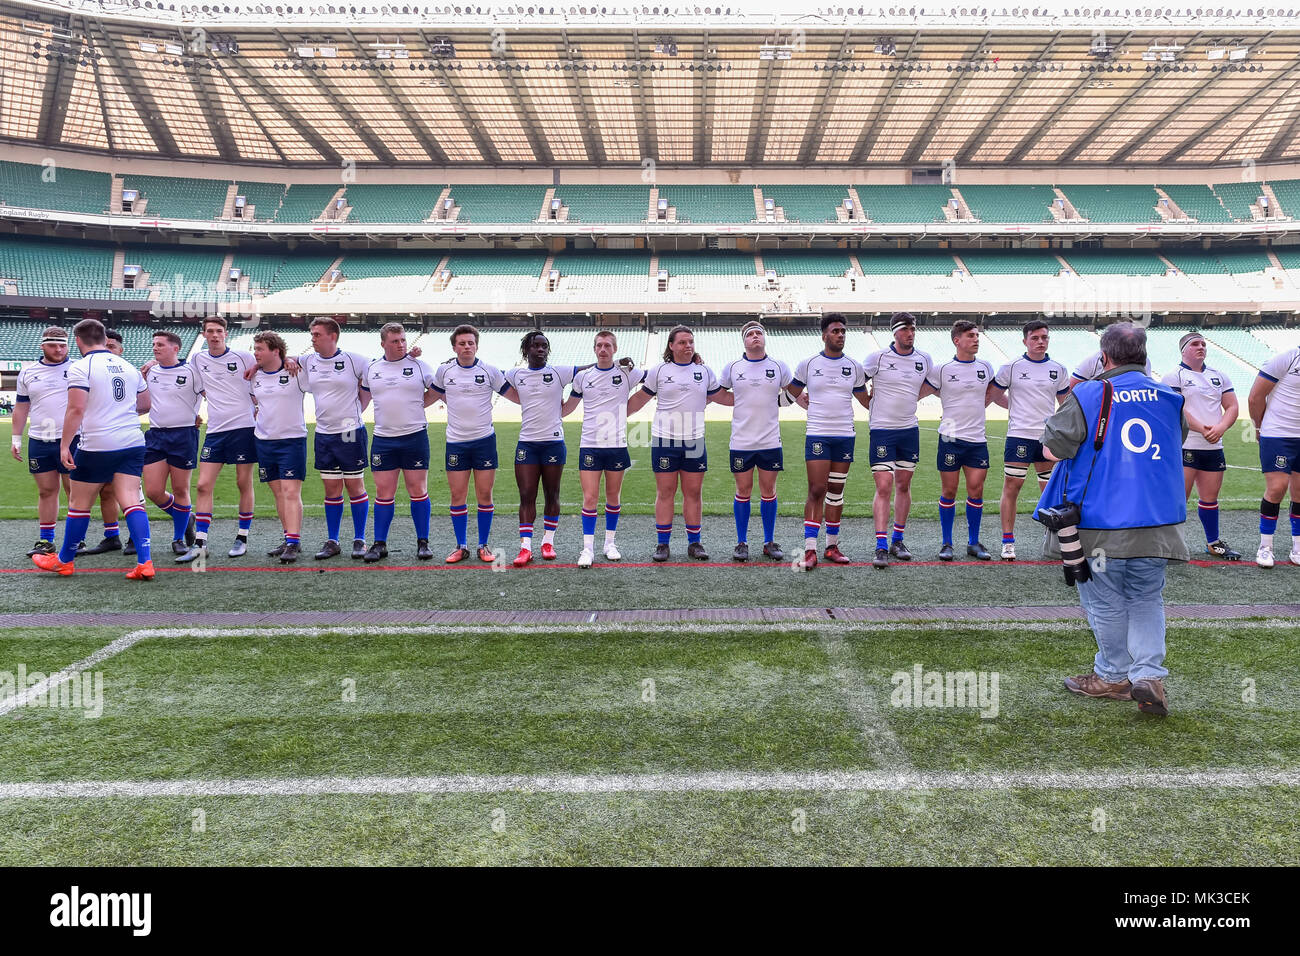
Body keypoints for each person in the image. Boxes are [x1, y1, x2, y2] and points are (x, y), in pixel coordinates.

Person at [1036, 321, 1189, 716]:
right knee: (1146, 597)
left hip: (1101, 521)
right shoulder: (1170, 396)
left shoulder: (1089, 392)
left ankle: (1112, 676)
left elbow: (1053, 447)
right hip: (1156, 522)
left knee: (1103, 600)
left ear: (1104, 357)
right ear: (1143, 356)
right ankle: (1149, 674)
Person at [31, 318, 155, 580]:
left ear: (77, 341)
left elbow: (75, 408)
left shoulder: (81, 367)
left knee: (79, 503)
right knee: (131, 500)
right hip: (132, 441)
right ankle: (145, 562)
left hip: (98, 443)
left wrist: (65, 445)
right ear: (102, 338)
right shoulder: (128, 366)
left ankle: (64, 560)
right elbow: (145, 404)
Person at [628, 325, 727, 562]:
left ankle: (694, 543)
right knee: (665, 492)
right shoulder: (659, 370)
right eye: (682, 342)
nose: (688, 346)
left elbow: (719, 396)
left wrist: (756, 399)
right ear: (671, 346)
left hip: (694, 440)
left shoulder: (704, 371)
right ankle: (663, 544)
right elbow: (641, 398)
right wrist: (615, 413)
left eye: (691, 342)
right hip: (665, 440)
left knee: (693, 492)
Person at [787, 313, 870, 569]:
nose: (840, 335)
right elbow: (791, 392)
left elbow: (865, 400)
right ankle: (810, 549)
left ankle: (831, 546)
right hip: (818, 434)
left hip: (845, 435)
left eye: (843, 331)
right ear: (824, 335)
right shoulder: (809, 364)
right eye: (835, 331)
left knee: (836, 492)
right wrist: (803, 402)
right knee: (816, 490)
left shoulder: (854, 367)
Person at [988, 319, 1070, 561]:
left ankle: (1052, 540)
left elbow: (1065, 404)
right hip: (1019, 436)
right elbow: (994, 395)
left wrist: (1059, 428)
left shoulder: (1058, 369)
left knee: (1049, 490)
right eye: (1035, 338)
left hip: (1047, 437)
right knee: (1012, 487)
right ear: (1025, 341)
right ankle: (1008, 542)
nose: (1040, 342)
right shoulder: (1011, 367)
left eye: (1044, 337)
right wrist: (1016, 409)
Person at [292, 318, 371, 560]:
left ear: (333, 336)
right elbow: (288, 359)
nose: (312, 338)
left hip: (349, 430)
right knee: (331, 489)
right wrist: (288, 359)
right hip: (324, 433)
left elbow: (369, 384)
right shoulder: (308, 361)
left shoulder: (354, 360)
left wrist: (356, 412)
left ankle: (359, 539)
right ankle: (333, 540)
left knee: (355, 486)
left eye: (317, 334)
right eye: (312, 334)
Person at [503, 331, 583, 567]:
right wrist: (452, 365)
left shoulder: (559, 372)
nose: (541, 350)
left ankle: (548, 542)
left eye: (544, 346)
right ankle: (525, 547)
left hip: (553, 442)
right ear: (526, 350)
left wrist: (618, 364)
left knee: (552, 494)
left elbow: (592, 368)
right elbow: (490, 375)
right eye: (536, 346)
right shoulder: (516, 374)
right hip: (527, 443)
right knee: (526, 495)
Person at [562, 331, 641, 567]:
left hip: (617, 445)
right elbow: (567, 409)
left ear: (615, 349)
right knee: (590, 498)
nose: (603, 349)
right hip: (590, 445)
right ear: (594, 349)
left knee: (613, 497)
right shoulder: (583, 377)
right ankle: (588, 549)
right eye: (599, 345)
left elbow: (655, 378)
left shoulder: (627, 373)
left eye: (608, 345)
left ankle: (610, 543)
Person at [431, 324, 509, 563]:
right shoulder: (444, 371)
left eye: (470, 343)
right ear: (455, 347)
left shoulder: (490, 371)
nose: (467, 347)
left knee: (484, 494)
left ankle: (483, 545)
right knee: (458, 495)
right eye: (462, 343)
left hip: (484, 441)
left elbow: (514, 394)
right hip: (456, 443)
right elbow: (430, 395)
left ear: (476, 345)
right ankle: (461, 545)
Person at [718, 321, 794, 562]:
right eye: (750, 334)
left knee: (768, 491)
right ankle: (742, 542)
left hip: (770, 440)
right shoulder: (733, 367)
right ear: (744, 340)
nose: (755, 337)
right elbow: (719, 393)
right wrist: (739, 402)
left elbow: (792, 392)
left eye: (758, 333)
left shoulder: (779, 366)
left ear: (764, 338)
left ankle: (768, 541)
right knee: (743, 490)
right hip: (741, 441)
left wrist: (782, 402)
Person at [361, 323, 438, 563]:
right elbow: (363, 397)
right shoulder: (371, 368)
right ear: (383, 343)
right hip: (383, 439)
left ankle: (423, 542)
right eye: (395, 341)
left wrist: (418, 405)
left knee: (418, 491)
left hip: (414, 436)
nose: (401, 344)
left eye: (403, 340)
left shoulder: (419, 365)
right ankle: (380, 543)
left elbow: (436, 390)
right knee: (384, 493)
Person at [1162, 331, 1241, 561]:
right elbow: (1176, 408)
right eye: (1195, 343)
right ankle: (1170, 544)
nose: (1201, 347)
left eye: (1204, 344)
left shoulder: (1220, 376)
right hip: (1186, 444)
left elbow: (1232, 406)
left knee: (1210, 498)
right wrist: (1204, 429)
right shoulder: (1173, 376)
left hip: (1213, 447)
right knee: (1179, 498)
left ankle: (1213, 543)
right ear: (1184, 349)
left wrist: (1221, 428)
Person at [862, 312, 932, 568]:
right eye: (905, 329)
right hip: (882, 430)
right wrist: (868, 403)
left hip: (909, 430)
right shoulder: (877, 357)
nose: (910, 334)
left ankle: (898, 540)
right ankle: (881, 544)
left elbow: (933, 384)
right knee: (883, 486)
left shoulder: (924, 359)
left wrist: (913, 396)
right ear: (894, 332)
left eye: (913, 329)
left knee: (903, 485)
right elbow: (858, 382)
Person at [924, 320, 996, 561]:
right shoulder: (942, 369)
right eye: (970, 336)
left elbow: (989, 395)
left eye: (977, 335)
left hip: (977, 439)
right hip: (950, 437)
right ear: (957, 340)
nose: (976, 339)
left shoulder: (986, 367)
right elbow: (922, 390)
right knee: (950, 490)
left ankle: (973, 543)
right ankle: (947, 543)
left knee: (976, 491)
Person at [187, 317, 257, 558]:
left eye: (219, 331)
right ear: (204, 334)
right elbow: (193, 385)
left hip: (243, 428)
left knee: (242, 483)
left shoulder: (243, 357)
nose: (215, 335)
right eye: (210, 331)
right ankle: (200, 543)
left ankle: (242, 537)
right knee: (203, 485)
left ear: (225, 334)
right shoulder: (197, 358)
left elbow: (261, 377)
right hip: (215, 430)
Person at [12, 326, 75, 557]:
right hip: (40, 439)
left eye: (63, 345)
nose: (59, 350)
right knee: (47, 491)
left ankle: (76, 540)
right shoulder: (28, 372)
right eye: (53, 345)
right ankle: (46, 541)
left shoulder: (78, 368)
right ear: (42, 346)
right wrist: (16, 439)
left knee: (74, 492)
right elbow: (21, 407)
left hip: (72, 439)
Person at [141, 330, 203, 556]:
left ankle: (179, 538)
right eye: (154, 344)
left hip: (183, 435)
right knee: (154, 491)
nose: (155, 348)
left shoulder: (191, 372)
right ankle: (187, 517)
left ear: (175, 348)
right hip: (156, 435)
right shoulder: (149, 371)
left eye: (160, 345)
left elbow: (213, 396)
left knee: (180, 489)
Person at [249, 331, 309, 562]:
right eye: (255, 349)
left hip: (292, 440)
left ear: (275, 351)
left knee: (291, 491)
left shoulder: (295, 372)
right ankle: (288, 538)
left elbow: (311, 363)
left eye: (260, 349)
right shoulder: (255, 377)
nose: (256, 354)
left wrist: (290, 359)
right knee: (278, 493)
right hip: (264, 441)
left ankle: (294, 541)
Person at [1247, 338, 1300, 568]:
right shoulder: (1287, 358)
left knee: (1299, 493)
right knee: (1277, 488)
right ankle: (1266, 546)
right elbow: (1255, 397)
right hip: (1278, 434)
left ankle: (1297, 545)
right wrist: (1259, 427)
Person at [81, 327, 134, 555]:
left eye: (112, 346)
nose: (107, 350)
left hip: (124, 440)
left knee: (130, 492)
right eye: (106, 345)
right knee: (105, 490)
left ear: (121, 350)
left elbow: (147, 403)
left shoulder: (130, 371)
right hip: (96, 440)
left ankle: (135, 537)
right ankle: (112, 536)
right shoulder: (91, 370)